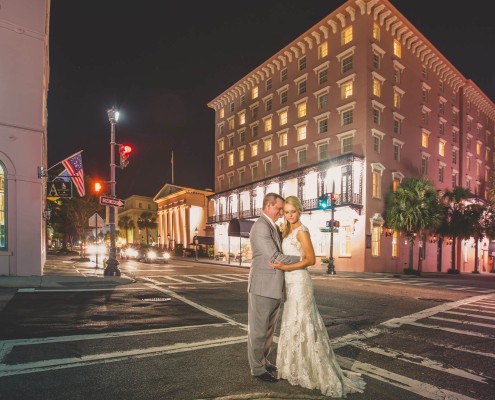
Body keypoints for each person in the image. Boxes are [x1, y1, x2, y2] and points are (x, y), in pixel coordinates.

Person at [269, 196, 366, 397]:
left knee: (304, 323)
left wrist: (286, 267)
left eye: (292, 211)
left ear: (299, 211)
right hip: (290, 283)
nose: (289, 215)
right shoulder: (288, 230)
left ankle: (311, 370)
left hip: (300, 283)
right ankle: (294, 368)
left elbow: (311, 260)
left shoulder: (302, 231)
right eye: (286, 212)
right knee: (292, 323)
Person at [247, 192, 301, 383]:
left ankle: (263, 360)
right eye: (279, 209)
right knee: (259, 330)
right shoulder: (261, 227)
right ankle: (257, 368)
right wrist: (302, 259)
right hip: (262, 287)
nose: (281, 213)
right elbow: (275, 257)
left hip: (274, 287)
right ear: (268, 206)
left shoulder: (272, 226)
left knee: (269, 331)